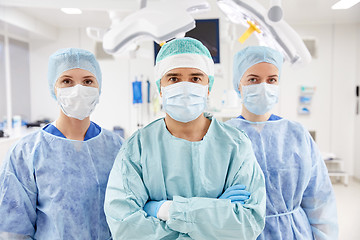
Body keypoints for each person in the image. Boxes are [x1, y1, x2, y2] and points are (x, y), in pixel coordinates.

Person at [104, 37, 266, 239]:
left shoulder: (236, 145)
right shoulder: (137, 148)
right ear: (160, 87)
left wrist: (166, 210)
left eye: (196, 78)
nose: (185, 86)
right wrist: (213, 213)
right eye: (173, 78)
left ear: (208, 86)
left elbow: (248, 222)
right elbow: (125, 226)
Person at [0, 48, 123, 239]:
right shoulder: (25, 153)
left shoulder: (118, 148)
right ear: (53, 87)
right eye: (67, 81)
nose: (78, 89)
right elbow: (14, 228)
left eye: (88, 81)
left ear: (99, 87)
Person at [226, 46, 338, 240]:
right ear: (238, 85)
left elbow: (320, 200)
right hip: (242, 233)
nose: (263, 86)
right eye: (253, 79)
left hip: (294, 233)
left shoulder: (297, 134)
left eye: (271, 80)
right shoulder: (224, 137)